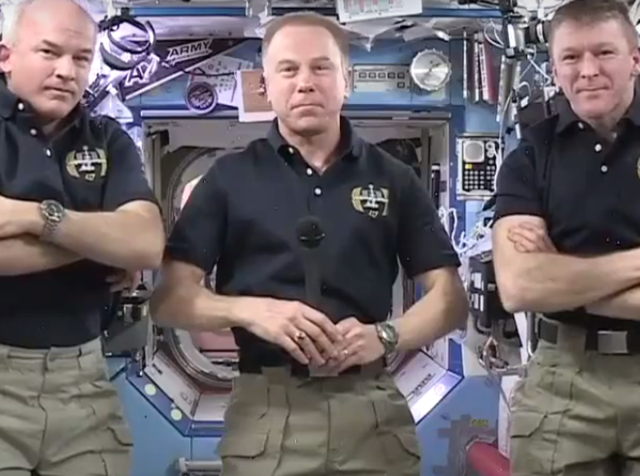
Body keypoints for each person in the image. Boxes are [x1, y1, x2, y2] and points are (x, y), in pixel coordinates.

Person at [151, 11, 468, 476]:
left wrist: (385, 336)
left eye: (321, 67)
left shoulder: (394, 178)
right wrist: (251, 311)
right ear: (265, 85)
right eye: (288, 69)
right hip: (267, 413)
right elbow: (170, 300)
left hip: (371, 412)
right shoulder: (227, 179)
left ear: (348, 80)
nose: (305, 82)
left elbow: (450, 300)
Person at [0, 0, 164, 474]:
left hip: (84, 379)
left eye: (80, 58)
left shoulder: (108, 139)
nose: (66, 71)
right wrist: (97, 240)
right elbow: (125, 239)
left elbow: (146, 244)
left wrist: (35, 217)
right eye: (49, 53)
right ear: (6, 55)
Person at [492, 0, 640, 474]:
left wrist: (565, 278)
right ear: (554, 69)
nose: (588, 71)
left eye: (604, 53)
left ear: (635, 58)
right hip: (565, 381)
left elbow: (545, 284)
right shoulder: (530, 158)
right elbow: (520, 288)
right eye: (572, 58)